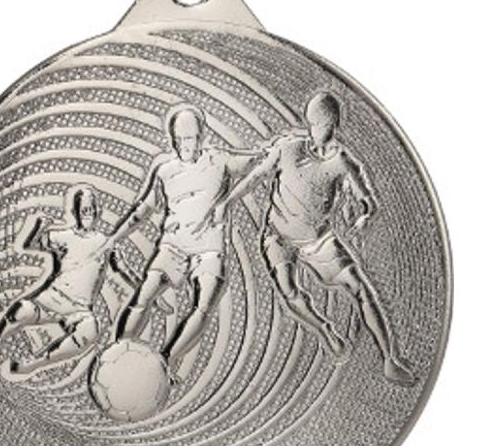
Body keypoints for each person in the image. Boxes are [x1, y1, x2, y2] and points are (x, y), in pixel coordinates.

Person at [219, 91, 414, 385]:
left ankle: (390, 360)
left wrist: (363, 218)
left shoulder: (343, 162)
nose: (315, 131)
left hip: (318, 241)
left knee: (361, 288)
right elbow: (256, 177)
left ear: (333, 124)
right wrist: (227, 202)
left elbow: (368, 203)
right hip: (278, 237)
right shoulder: (288, 149)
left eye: (321, 125)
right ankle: (325, 330)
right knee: (289, 291)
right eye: (312, 124)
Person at [107, 103, 262, 367]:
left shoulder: (220, 160)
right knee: (144, 296)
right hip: (173, 245)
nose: (183, 146)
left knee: (204, 306)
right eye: (178, 139)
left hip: (209, 249)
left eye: (188, 138)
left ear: (201, 136)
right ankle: (115, 356)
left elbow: (256, 161)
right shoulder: (165, 171)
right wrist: (113, 239)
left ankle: (165, 362)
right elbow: (141, 211)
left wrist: (280, 150)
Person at [0, 183, 136, 376]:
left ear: (98, 211)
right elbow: (30, 245)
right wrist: (39, 227)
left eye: (91, 208)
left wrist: (144, 287)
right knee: (21, 310)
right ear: (75, 212)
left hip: (79, 311)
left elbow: (124, 270)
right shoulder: (63, 236)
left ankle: (34, 364)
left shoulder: (107, 243)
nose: (88, 212)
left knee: (90, 332)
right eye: (83, 209)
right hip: (51, 299)